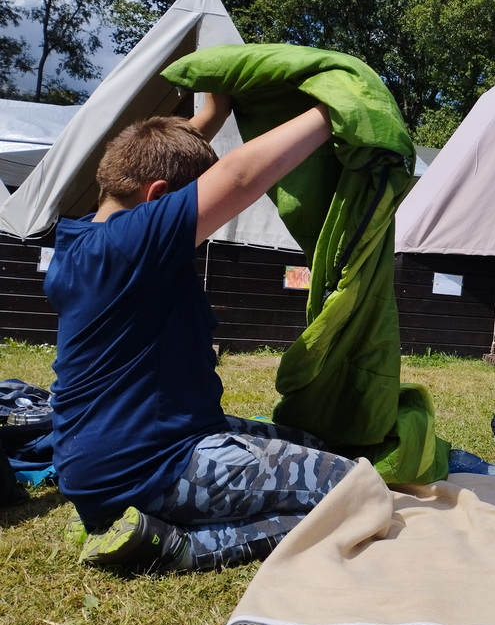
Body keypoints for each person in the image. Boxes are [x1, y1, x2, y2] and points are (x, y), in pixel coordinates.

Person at [45, 93, 358, 573]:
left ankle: (110, 513)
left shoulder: (87, 240)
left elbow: (155, 161)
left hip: (110, 459)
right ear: (157, 199)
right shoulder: (132, 242)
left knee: (319, 445)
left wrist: (213, 113)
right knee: (356, 488)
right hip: (154, 467)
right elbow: (239, 176)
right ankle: (177, 545)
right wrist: (334, 110)